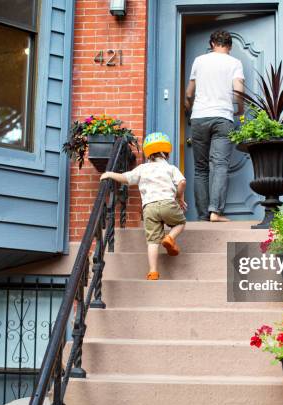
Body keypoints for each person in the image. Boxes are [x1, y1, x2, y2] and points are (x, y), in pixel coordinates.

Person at [100, 132, 187, 281]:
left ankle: (153, 272)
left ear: (148, 153)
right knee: (180, 223)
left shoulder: (142, 169)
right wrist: (179, 197)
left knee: (152, 241)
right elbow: (182, 182)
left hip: (149, 208)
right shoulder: (171, 168)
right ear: (165, 153)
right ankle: (170, 238)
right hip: (168, 203)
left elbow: (126, 178)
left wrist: (110, 174)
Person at [185, 29, 245, 222]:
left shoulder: (199, 61)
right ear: (230, 46)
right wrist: (240, 109)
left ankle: (203, 215)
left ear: (212, 44)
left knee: (200, 168)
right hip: (222, 117)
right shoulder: (234, 62)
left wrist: (189, 108)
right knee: (219, 165)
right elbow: (238, 90)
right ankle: (215, 212)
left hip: (199, 117)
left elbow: (189, 93)